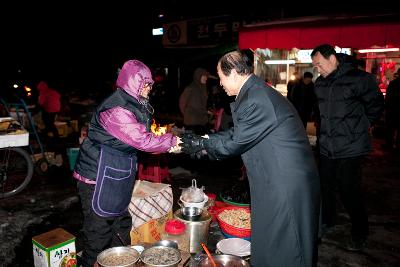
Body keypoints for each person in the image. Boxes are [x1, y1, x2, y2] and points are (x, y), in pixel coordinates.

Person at [181, 50, 320, 267]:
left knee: (286, 246)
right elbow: (240, 133)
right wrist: (204, 139)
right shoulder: (253, 93)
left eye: (221, 76)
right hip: (274, 177)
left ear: (235, 73)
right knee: (270, 241)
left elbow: (236, 141)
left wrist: (201, 144)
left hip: (285, 182)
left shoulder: (257, 97)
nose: (219, 83)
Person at [72, 59, 181, 267]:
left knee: (121, 227)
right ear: (132, 83)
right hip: (96, 177)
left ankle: (121, 262)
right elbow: (140, 139)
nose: (149, 88)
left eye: (150, 83)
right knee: (98, 234)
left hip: (115, 173)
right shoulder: (116, 108)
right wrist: (172, 141)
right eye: (145, 83)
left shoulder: (135, 102)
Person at [310, 44, 384, 251]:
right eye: (315, 66)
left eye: (320, 64)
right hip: (327, 146)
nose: (318, 69)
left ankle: (360, 231)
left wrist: (362, 126)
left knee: (349, 190)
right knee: (325, 187)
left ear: (332, 59)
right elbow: (320, 113)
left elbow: (376, 105)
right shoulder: (320, 84)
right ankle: (328, 220)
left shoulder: (360, 79)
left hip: (351, 146)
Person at [179, 67, 211, 135]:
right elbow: (182, 103)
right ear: (198, 76)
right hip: (192, 123)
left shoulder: (203, 88)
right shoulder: (191, 88)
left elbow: (202, 104)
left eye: (206, 76)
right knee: (193, 143)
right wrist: (187, 115)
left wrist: (206, 111)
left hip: (201, 121)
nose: (206, 78)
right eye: (204, 76)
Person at [383, 68, 400, 150]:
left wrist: (386, 107)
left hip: (392, 109)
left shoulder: (393, 83)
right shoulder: (393, 83)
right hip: (395, 109)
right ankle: (398, 145)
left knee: (390, 128)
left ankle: (389, 144)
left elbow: (388, 97)